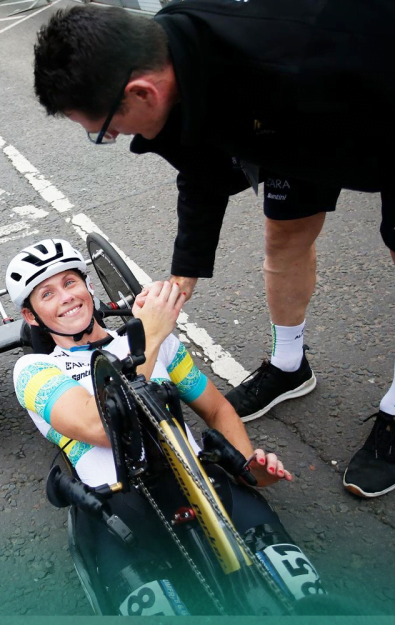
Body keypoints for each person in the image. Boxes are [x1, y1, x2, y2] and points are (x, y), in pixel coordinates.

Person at [31, 1, 395, 498]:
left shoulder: (301, 59)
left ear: (141, 92)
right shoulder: (172, 63)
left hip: (373, 102)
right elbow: (200, 168)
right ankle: (290, 366)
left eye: (104, 129)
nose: (111, 136)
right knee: (285, 233)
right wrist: (183, 278)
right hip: (289, 126)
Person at [7, 239, 321, 614]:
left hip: (202, 480)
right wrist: (151, 334)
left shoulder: (156, 341)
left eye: (70, 282)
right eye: (47, 294)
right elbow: (101, 426)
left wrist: (248, 466)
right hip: (121, 509)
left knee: (307, 602)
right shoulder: (35, 370)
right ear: (31, 316)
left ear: (88, 286)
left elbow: (217, 409)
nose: (66, 297)